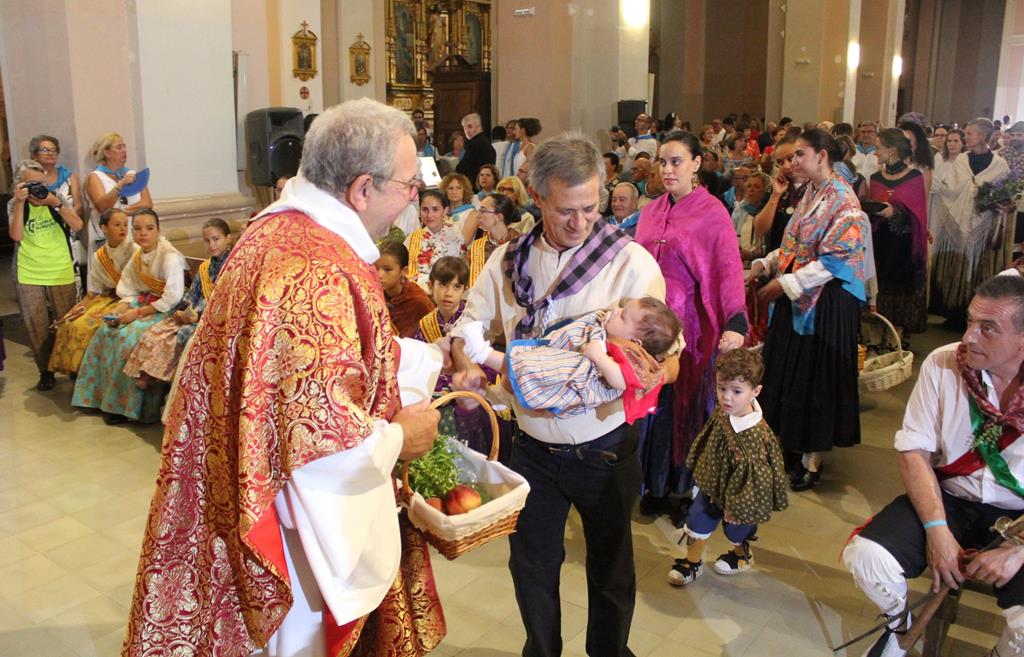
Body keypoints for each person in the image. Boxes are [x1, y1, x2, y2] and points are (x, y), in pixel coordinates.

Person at [122, 98, 445, 657]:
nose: (414, 197)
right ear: (362, 189)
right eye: (408, 184)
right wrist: (401, 438)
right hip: (291, 529)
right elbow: (323, 444)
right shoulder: (315, 267)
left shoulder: (278, 232)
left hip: (249, 483)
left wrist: (424, 359)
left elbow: (298, 364)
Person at [450, 133, 667, 657]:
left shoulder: (628, 263)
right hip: (532, 449)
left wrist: (624, 372)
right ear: (537, 194)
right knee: (531, 566)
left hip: (604, 444)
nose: (580, 222)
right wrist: (465, 366)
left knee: (611, 570)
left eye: (590, 207)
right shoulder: (508, 260)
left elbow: (666, 358)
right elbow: (466, 323)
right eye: (565, 210)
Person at [842, 273, 1024, 657]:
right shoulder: (944, 364)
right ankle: (899, 626)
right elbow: (913, 452)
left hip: (1019, 518)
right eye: (971, 321)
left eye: (987, 328)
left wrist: (1017, 551)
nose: (969, 336)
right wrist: (938, 532)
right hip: (950, 499)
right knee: (866, 556)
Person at [634, 131, 748, 517]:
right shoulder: (650, 210)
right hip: (647, 326)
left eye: (676, 161)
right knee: (649, 401)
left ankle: (682, 489)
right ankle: (650, 483)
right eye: (662, 161)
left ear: (697, 163)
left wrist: (736, 319)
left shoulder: (712, 211)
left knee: (682, 406)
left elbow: (726, 267)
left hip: (689, 328)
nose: (667, 169)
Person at [749, 128, 870, 492]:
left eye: (800, 154)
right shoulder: (810, 194)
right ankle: (789, 444)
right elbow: (794, 241)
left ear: (822, 156)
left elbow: (836, 259)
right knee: (787, 372)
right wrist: (766, 263)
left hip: (826, 302)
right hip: (798, 294)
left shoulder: (844, 200)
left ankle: (811, 458)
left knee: (816, 379)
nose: (793, 162)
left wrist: (785, 284)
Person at [668, 348, 788, 586]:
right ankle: (692, 563)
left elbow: (755, 480)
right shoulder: (725, 410)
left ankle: (741, 554)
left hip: (741, 497)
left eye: (736, 391)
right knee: (697, 521)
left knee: (736, 530)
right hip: (713, 484)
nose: (726, 397)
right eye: (721, 388)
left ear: (755, 391)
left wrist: (736, 506)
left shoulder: (755, 436)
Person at [461, 297, 680, 419]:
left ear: (636, 343)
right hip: (579, 358)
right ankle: (502, 395)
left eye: (623, 316)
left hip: (584, 380)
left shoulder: (637, 362)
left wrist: (600, 358)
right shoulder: (618, 333)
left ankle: (481, 352)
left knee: (538, 367)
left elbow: (620, 380)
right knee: (543, 357)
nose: (617, 310)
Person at [71, 209, 184, 423]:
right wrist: (119, 312)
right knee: (106, 331)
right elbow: (127, 289)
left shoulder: (169, 257)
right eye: (138, 229)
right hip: (140, 305)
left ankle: (128, 408)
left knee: (127, 339)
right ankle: (102, 400)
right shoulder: (137, 256)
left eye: (149, 228)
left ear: (158, 230)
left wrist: (137, 313)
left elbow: (172, 297)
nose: (143, 233)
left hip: (164, 311)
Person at [123, 218, 232, 387]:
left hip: (216, 319)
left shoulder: (234, 266)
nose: (212, 244)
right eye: (207, 240)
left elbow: (229, 299)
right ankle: (147, 373)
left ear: (228, 238)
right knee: (158, 330)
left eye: (216, 239)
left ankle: (159, 377)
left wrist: (199, 315)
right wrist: (183, 311)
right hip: (193, 315)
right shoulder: (205, 267)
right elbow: (193, 295)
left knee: (180, 335)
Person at [9, 159, 85, 391]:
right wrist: (22, 203)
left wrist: (56, 204)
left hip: (60, 266)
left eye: (41, 183)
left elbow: (78, 225)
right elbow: (16, 235)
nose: (38, 189)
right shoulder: (15, 203)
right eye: (32, 184)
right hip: (29, 270)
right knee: (36, 324)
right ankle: (45, 370)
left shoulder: (55, 198)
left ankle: (71, 365)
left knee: (67, 321)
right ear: (19, 184)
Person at [930, 118, 1013, 329]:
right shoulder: (961, 160)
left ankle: (977, 314)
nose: (966, 137)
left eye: (969, 133)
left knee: (978, 268)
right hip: (959, 221)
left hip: (984, 225)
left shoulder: (999, 164)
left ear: (983, 136)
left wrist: (995, 201)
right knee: (957, 265)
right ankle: (955, 310)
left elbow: (1005, 195)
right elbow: (948, 187)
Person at [48, 208, 137, 376]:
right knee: (73, 324)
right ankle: (77, 372)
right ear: (104, 227)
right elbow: (93, 292)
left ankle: (92, 374)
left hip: (132, 300)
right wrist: (71, 313)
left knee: (90, 327)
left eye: (125, 224)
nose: (123, 229)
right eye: (117, 225)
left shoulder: (135, 250)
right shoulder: (100, 255)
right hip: (109, 298)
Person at [867, 128, 929, 336]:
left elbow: (918, 216)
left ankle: (899, 339)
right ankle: (879, 337)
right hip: (880, 242)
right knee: (881, 289)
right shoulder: (875, 178)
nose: (875, 152)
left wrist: (895, 213)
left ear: (892, 150)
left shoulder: (914, 177)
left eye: (878, 148)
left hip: (903, 246)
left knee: (901, 291)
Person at [29, 135, 85, 290]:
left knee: (70, 287)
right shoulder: (29, 179)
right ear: (34, 154)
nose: (50, 153)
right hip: (39, 237)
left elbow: (78, 206)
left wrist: (65, 216)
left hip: (66, 234)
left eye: (54, 150)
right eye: (45, 150)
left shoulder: (69, 176)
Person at [84, 132, 153, 258]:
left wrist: (119, 213)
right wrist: (121, 184)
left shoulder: (133, 174)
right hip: (107, 236)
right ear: (107, 152)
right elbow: (103, 208)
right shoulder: (95, 177)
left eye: (124, 147)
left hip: (133, 233)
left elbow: (147, 203)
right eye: (119, 147)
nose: (124, 150)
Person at [405, 189, 467, 289]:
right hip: (416, 291)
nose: (429, 215)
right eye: (425, 209)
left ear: (445, 210)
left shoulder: (454, 236)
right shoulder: (413, 237)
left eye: (435, 209)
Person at [378, 239, 437, 338]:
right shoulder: (373, 295)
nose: (379, 275)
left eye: (387, 269)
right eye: (376, 268)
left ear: (404, 271)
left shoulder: (418, 303)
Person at [465, 193, 520, 287]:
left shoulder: (520, 243)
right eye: (479, 210)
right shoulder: (477, 245)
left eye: (483, 210)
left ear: (499, 216)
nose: (478, 216)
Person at [733, 172, 769, 267]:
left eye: (757, 187)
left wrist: (752, 255)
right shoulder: (739, 210)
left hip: (762, 265)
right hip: (740, 264)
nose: (751, 190)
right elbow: (731, 235)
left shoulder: (770, 213)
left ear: (765, 191)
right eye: (749, 186)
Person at [455, 112, 497, 182]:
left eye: (470, 127)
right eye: (465, 128)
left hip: (476, 184)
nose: (467, 131)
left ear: (479, 126)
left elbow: (461, 168)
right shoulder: (482, 141)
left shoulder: (477, 144)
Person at [898, 118, 936, 193]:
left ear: (918, 142)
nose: (905, 145)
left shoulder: (923, 169)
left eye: (909, 141)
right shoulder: (892, 164)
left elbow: (923, 197)